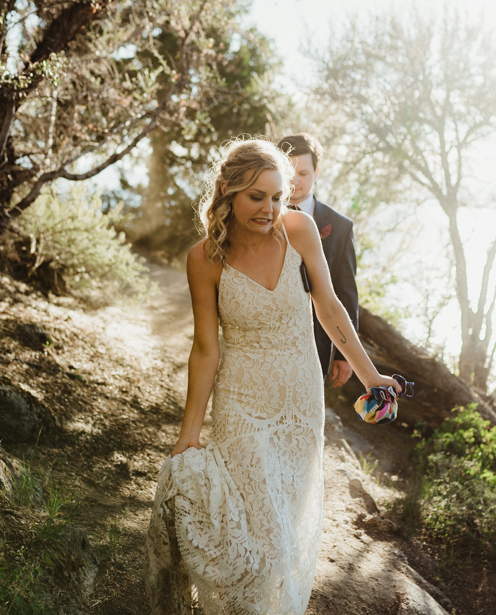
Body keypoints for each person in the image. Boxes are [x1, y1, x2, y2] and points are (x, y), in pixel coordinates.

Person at [145, 139, 399, 615]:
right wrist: (189, 433)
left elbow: (328, 306)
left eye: (278, 196)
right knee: (260, 543)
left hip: (300, 403)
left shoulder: (299, 230)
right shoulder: (203, 259)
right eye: (256, 196)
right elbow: (205, 349)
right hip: (241, 401)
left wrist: (371, 376)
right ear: (227, 191)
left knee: (280, 537)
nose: (269, 209)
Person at [277, 133, 358, 388]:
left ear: (316, 172)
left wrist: (346, 355)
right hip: (267, 337)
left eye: (303, 173)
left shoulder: (341, 228)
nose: (295, 181)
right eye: (288, 172)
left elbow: (346, 293)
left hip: (315, 344)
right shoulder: (259, 216)